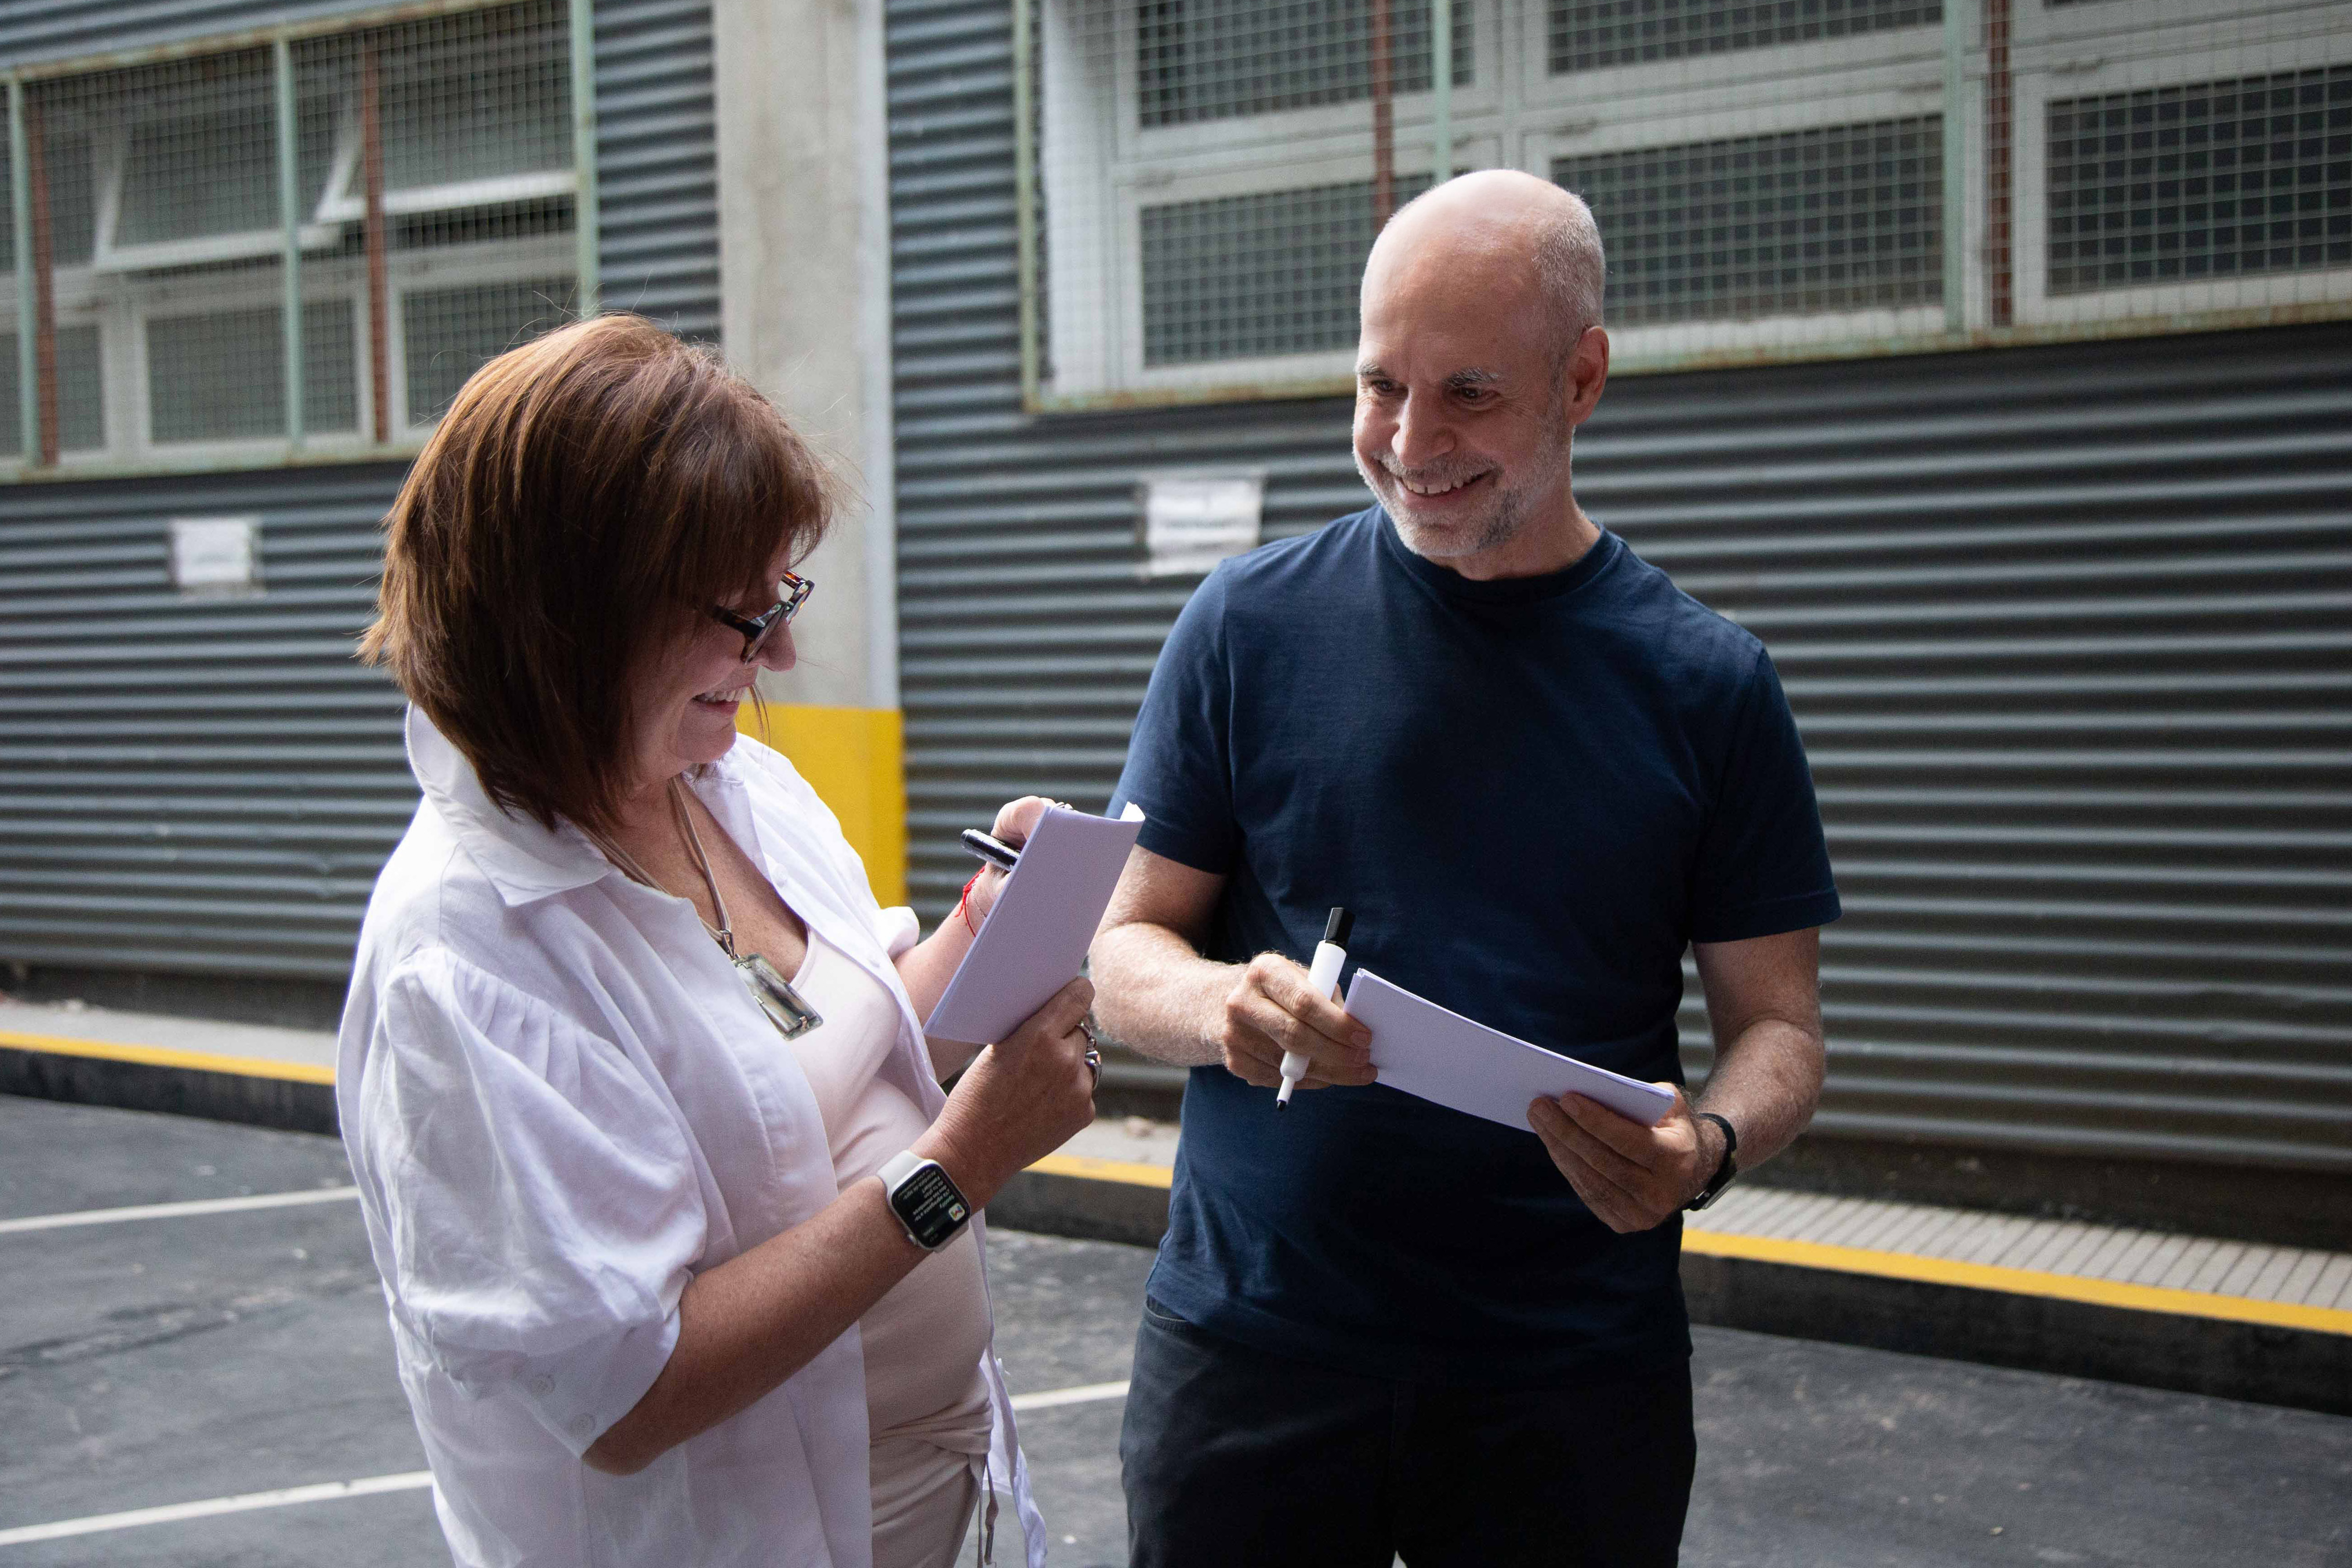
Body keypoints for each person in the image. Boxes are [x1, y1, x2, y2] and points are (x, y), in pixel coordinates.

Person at [1089, 169, 1841, 1567]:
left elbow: (1779, 1028)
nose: (1409, 439)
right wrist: (1220, 1011)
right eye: (1380, 384)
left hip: (1563, 1377)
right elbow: (1119, 949)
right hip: (1250, 1348)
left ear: (1584, 377)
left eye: (1469, 394)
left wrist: (1709, 1146)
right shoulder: (1245, 626)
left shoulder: (1709, 685)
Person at [340, 313, 1094, 1568]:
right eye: (743, 617)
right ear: (574, 617)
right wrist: (959, 1167)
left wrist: (985, 930)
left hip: (917, 1502)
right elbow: (627, 1393)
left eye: (779, 597)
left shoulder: (732, 786)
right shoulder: (466, 958)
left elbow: (837, 1054)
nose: (781, 654)